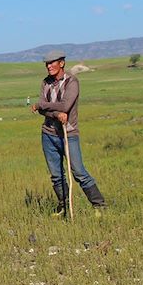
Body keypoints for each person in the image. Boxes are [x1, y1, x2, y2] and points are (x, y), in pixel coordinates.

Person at [31, 50, 107, 215]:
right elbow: (46, 111)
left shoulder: (72, 82)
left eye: (52, 63)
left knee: (78, 171)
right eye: (47, 63)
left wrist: (42, 105)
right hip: (48, 134)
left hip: (68, 134)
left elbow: (65, 106)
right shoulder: (45, 83)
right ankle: (63, 207)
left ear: (62, 63)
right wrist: (55, 113)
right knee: (56, 176)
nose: (49, 66)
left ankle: (99, 206)